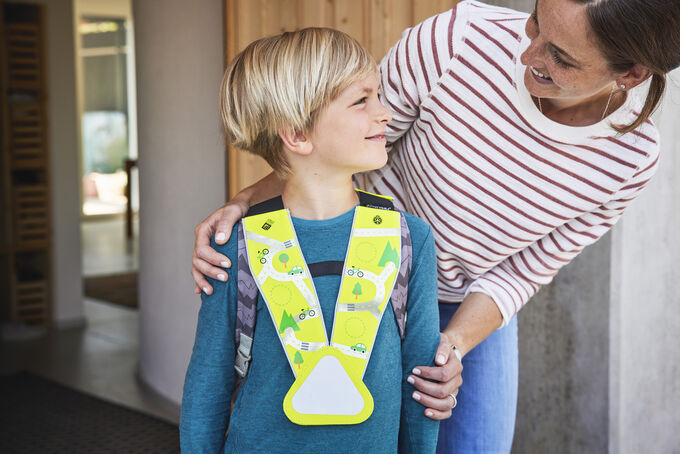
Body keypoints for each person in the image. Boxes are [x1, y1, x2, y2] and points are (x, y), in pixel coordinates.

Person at [191, 0, 680, 452]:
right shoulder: (458, 40)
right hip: (372, 272)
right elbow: (329, 145)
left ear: (631, 73)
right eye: (535, 21)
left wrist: (451, 349)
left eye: (560, 56)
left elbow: (523, 272)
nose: (528, 52)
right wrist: (241, 206)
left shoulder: (630, 160)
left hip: (470, 302)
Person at [180, 28, 441, 453]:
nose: (385, 113)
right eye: (362, 100)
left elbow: (421, 382)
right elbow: (207, 386)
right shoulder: (235, 248)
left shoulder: (412, 239)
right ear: (298, 134)